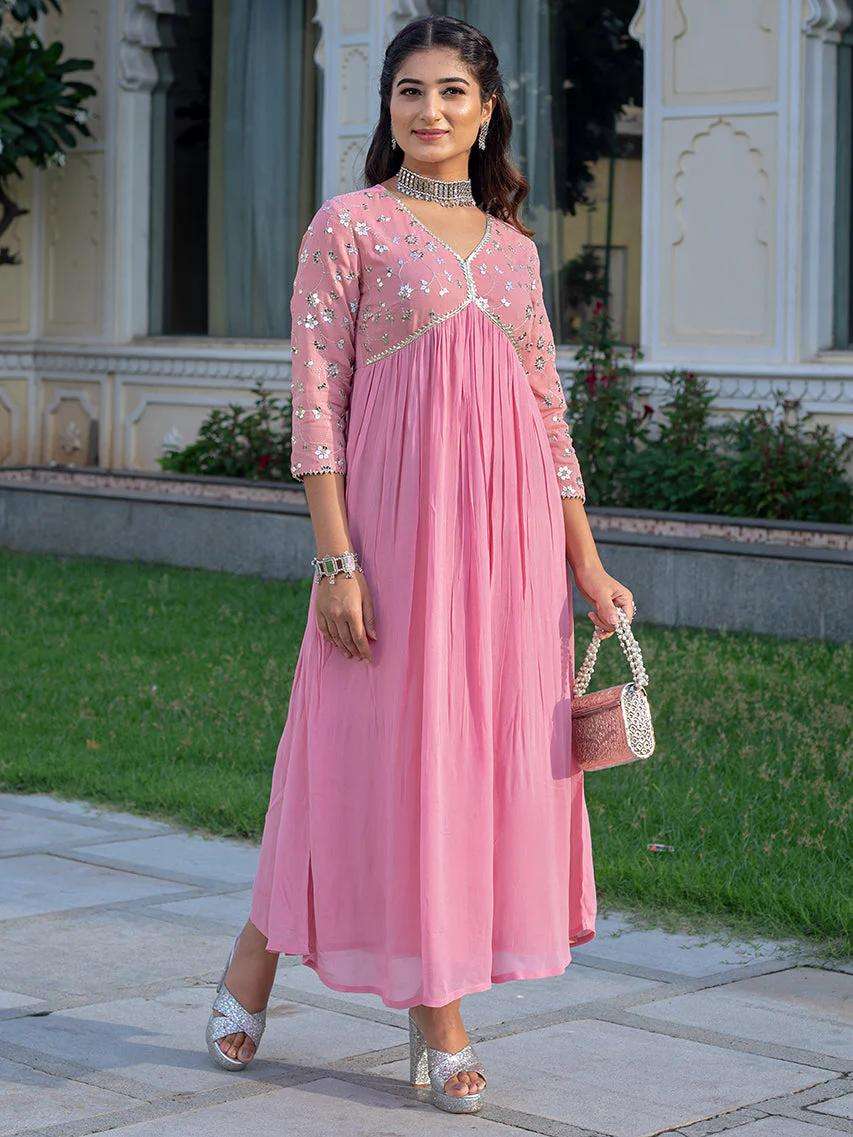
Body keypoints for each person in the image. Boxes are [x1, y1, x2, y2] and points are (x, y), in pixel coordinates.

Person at [205, 13, 635, 1116]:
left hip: (509, 549)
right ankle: (287, 963)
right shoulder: (349, 225)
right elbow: (316, 403)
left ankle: (423, 998)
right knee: (354, 752)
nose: (430, 109)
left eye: (452, 92)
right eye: (410, 90)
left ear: (486, 111)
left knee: (465, 767)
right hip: (391, 538)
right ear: (388, 107)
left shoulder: (517, 251)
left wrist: (587, 568)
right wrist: (334, 558)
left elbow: (547, 418)